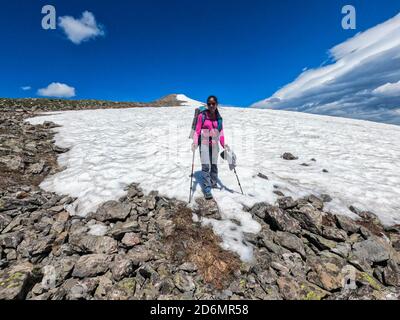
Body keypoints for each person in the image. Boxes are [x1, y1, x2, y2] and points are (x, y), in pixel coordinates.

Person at [192, 96, 228, 200]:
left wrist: (223, 144)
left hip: (215, 143)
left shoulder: (219, 118)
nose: (211, 105)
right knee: (206, 165)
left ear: (217, 104)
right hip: (204, 143)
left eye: (213, 103)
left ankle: (213, 183)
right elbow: (197, 130)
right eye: (209, 104)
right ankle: (207, 189)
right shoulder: (202, 116)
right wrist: (195, 142)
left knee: (214, 165)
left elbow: (221, 132)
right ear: (207, 105)